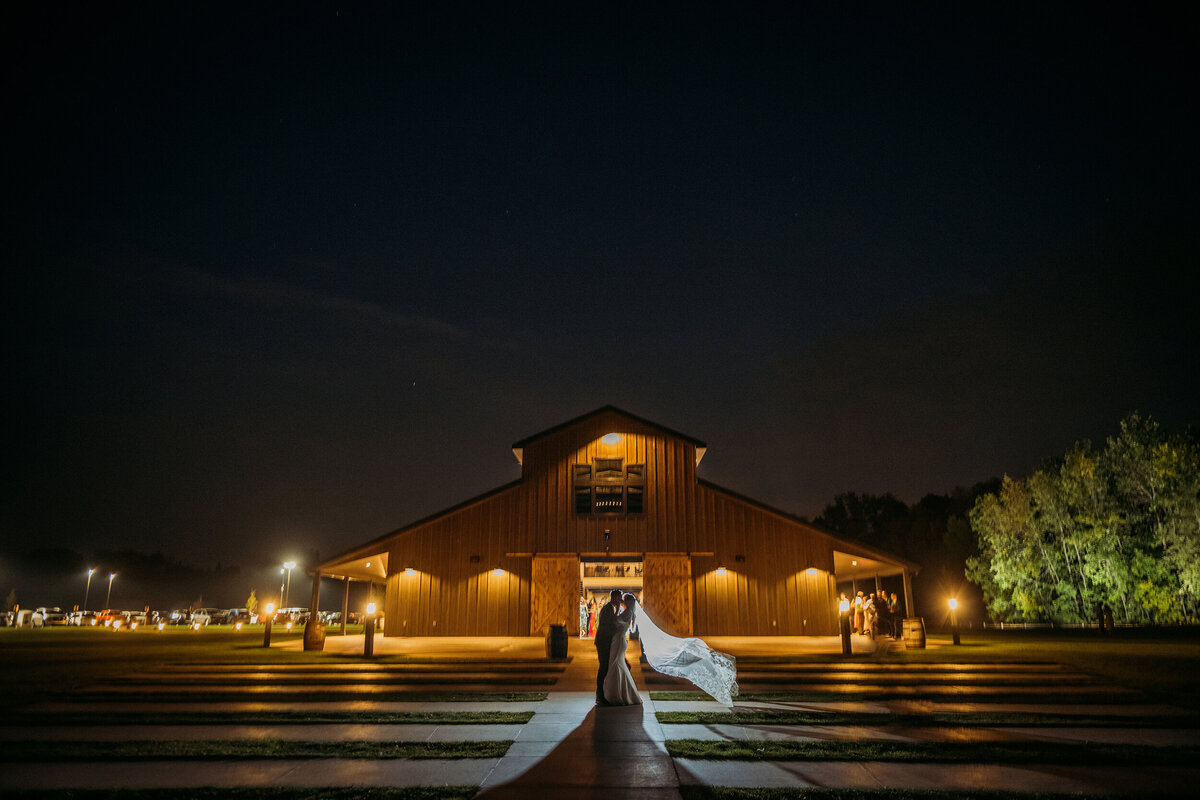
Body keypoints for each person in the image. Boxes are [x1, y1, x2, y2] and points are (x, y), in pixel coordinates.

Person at [603, 593, 641, 706]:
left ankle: (618, 694)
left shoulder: (627, 612)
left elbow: (617, 623)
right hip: (618, 640)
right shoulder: (627, 612)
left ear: (628, 602)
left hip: (619, 641)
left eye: (623, 600)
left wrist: (618, 609)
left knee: (616, 664)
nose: (621, 601)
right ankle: (622, 691)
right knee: (618, 664)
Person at [594, 588, 623, 705]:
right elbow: (609, 626)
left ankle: (601, 695)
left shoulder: (610, 608)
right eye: (619, 597)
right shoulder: (608, 609)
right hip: (603, 641)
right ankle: (600, 696)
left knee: (605, 667)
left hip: (605, 641)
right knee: (603, 667)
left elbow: (612, 621)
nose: (620, 600)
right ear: (615, 597)